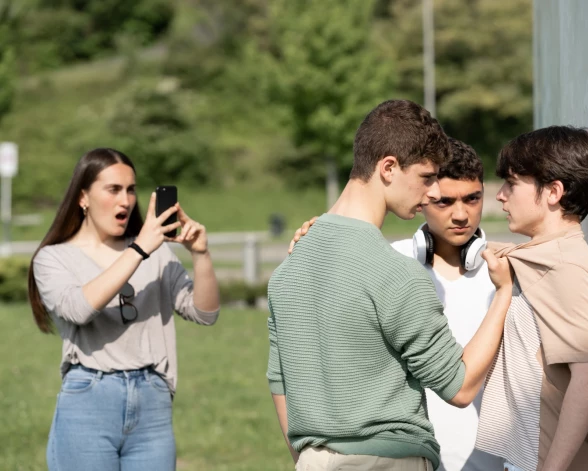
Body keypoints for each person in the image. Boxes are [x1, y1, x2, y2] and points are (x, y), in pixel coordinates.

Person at [267, 99, 513, 471]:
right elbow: (459, 386)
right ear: (388, 168)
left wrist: (309, 459)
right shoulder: (395, 272)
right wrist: (504, 294)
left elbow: (279, 381)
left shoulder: (289, 268)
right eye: (427, 177)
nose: (432, 193)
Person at [27, 148, 221, 471]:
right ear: (83, 198)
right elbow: (78, 309)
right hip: (88, 401)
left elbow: (205, 313)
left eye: (131, 189)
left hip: (152, 405)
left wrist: (201, 255)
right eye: (113, 189)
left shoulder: (156, 254)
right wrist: (140, 248)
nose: (126, 200)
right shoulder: (53, 258)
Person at [475, 126, 588, 471]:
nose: (501, 195)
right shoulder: (542, 257)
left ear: (553, 192)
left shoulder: (564, 266)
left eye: (512, 183)